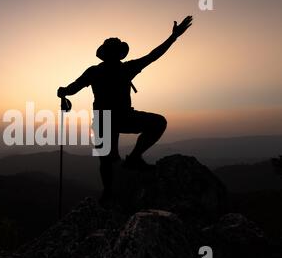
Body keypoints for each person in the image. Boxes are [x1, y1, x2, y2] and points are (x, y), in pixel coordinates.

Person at [57, 16, 193, 205]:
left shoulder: (96, 71)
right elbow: (153, 55)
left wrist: (62, 92)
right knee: (154, 125)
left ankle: (113, 186)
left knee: (107, 159)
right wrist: (173, 37)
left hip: (106, 119)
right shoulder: (125, 68)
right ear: (118, 54)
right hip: (119, 117)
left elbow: (72, 88)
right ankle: (127, 168)